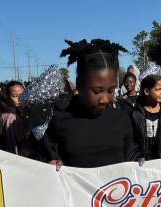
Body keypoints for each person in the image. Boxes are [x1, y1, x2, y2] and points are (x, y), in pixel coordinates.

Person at [41, 38, 140, 168]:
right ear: (79, 83)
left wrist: (139, 159)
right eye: (97, 91)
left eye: (110, 91)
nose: (104, 99)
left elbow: (131, 153)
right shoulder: (60, 121)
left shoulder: (122, 119)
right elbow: (44, 158)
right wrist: (51, 163)